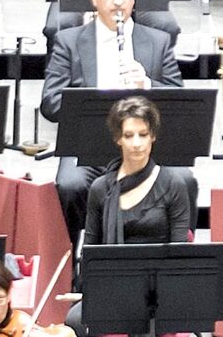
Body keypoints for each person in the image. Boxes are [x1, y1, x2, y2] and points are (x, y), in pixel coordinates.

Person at [40, 0, 183, 235]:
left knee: (184, 179)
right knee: (71, 185)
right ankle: (80, 261)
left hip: (145, 146)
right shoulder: (69, 41)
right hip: (87, 148)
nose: (118, 1)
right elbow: (50, 103)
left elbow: (178, 99)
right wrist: (94, 97)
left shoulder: (158, 40)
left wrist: (148, 84)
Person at [80, 93, 196, 250]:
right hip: (113, 273)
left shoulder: (173, 185)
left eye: (143, 135)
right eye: (128, 136)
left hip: (160, 272)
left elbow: (179, 254)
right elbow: (90, 253)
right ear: (118, 138)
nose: (136, 143)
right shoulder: (100, 189)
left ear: (153, 136)